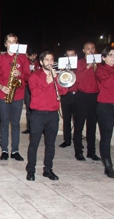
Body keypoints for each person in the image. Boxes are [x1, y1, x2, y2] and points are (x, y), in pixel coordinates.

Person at [26, 51, 68, 181]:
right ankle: (31, 170)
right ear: (41, 62)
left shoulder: (56, 75)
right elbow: (35, 93)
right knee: (34, 144)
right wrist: (47, 81)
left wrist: (57, 78)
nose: (50, 62)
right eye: (47, 60)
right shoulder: (34, 76)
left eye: (51, 60)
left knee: (50, 145)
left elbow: (64, 91)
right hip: (38, 115)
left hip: (52, 114)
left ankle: (48, 170)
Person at [0, 33, 31, 161]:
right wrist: (1, 87)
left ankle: (15, 151)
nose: (12, 44)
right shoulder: (0, 59)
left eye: (14, 41)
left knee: (15, 124)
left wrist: (20, 73)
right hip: (4, 94)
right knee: (4, 123)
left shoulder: (23, 58)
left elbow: (29, 77)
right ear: (5, 44)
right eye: (9, 41)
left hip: (18, 95)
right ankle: (4, 150)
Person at [70, 42, 101, 161]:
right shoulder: (79, 63)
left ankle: (91, 152)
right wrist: (88, 66)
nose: (91, 50)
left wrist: (95, 68)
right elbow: (77, 78)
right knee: (79, 125)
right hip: (82, 96)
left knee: (92, 126)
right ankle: (78, 151)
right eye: (88, 49)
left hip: (94, 97)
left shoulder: (98, 64)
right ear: (84, 50)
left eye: (93, 48)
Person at [95, 47, 114, 178]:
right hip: (106, 107)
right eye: (110, 55)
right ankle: (108, 167)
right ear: (104, 58)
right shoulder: (100, 70)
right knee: (106, 137)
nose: (113, 57)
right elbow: (107, 84)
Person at [59, 49, 79, 150]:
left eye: (72, 55)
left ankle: (77, 140)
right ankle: (67, 140)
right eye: (68, 55)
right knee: (66, 119)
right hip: (66, 95)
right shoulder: (63, 68)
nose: (70, 57)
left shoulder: (80, 67)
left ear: (76, 55)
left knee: (78, 120)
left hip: (78, 95)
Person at [22, 47, 40, 134]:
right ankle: (29, 127)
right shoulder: (26, 63)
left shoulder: (40, 63)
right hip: (27, 87)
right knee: (29, 108)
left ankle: (40, 128)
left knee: (39, 108)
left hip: (39, 88)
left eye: (34, 55)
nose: (32, 57)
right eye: (30, 56)